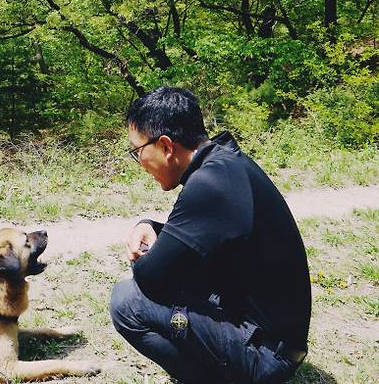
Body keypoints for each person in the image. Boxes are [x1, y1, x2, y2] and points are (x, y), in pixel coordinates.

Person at [109, 86, 311, 383]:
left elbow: (150, 278)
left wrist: (148, 253)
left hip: (267, 357)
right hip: (277, 341)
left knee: (126, 301)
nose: (139, 162)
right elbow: (204, 239)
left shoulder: (208, 186)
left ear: (165, 147)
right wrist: (150, 225)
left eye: (138, 151)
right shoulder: (225, 163)